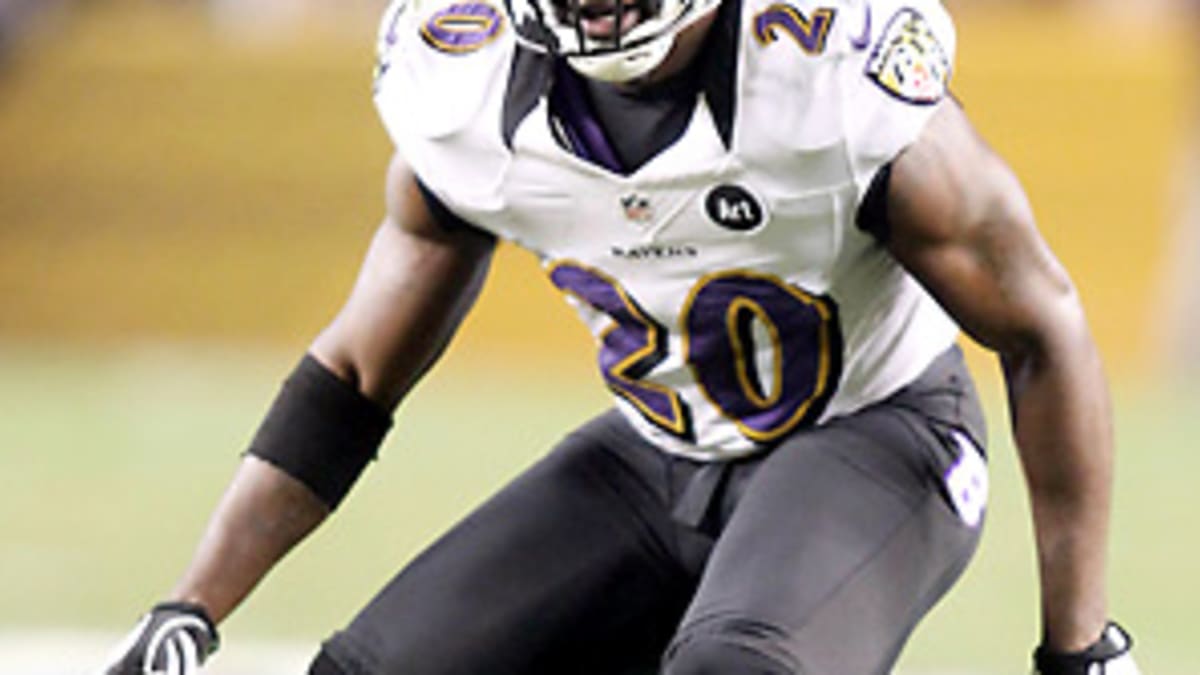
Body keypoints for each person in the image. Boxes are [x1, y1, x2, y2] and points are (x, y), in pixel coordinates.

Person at [100, 0, 1141, 672]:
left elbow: (1042, 327)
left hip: (877, 434)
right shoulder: (462, 91)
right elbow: (354, 374)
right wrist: (192, 605)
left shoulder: (826, 76)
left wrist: (1079, 648)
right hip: (658, 452)